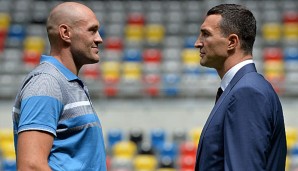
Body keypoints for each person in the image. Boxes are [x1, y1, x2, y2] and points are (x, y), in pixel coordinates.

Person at [12, 2, 106, 170]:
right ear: (65, 33)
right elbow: (30, 166)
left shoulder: (66, 82)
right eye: (92, 30)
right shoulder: (46, 83)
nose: (99, 38)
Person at [194, 4, 287, 171]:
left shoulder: (247, 92)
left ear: (232, 42)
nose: (197, 43)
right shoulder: (242, 88)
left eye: (206, 34)